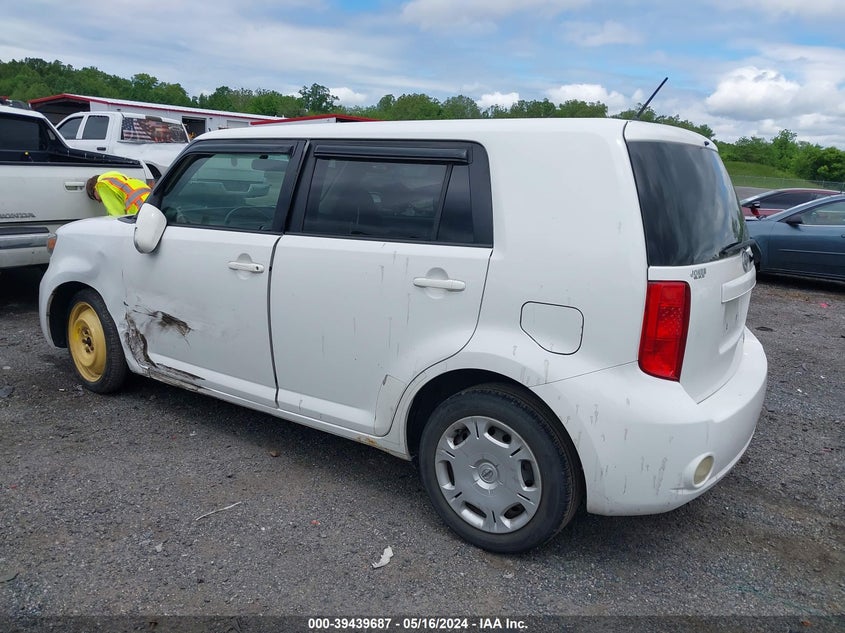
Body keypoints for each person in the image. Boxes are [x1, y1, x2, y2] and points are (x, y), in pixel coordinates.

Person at [86, 172, 151, 217]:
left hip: (140, 210)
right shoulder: (118, 180)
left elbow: (116, 215)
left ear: (94, 188)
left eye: (95, 197)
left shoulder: (102, 185)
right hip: (151, 205)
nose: (99, 201)